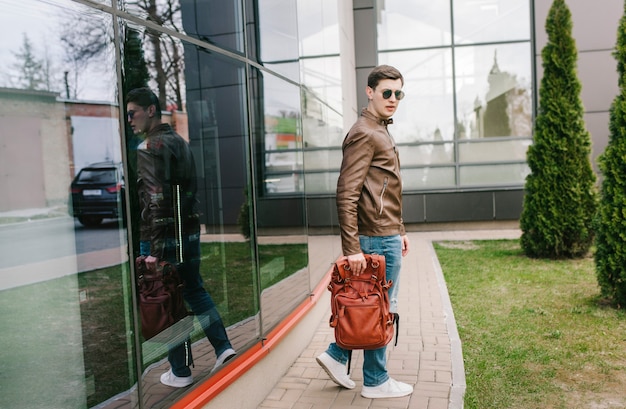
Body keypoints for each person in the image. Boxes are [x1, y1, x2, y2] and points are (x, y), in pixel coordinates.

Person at [126, 87, 236, 388]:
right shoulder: (180, 143)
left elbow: (157, 201)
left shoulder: (148, 147)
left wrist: (154, 253)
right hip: (187, 234)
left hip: (160, 237)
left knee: (166, 300)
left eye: (132, 112)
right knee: (194, 291)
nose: (129, 120)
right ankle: (224, 347)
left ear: (150, 110)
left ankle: (181, 372)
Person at [316, 65, 413, 399]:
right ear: (369, 92)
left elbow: (384, 188)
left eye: (398, 93)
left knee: (374, 306)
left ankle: (336, 355)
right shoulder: (365, 132)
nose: (393, 99)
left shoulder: (379, 129)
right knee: (379, 307)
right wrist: (352, 248)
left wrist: (399, 229)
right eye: (387, 92)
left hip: (385, 232)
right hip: (374, 237)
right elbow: (347, 193)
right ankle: (375, 379)